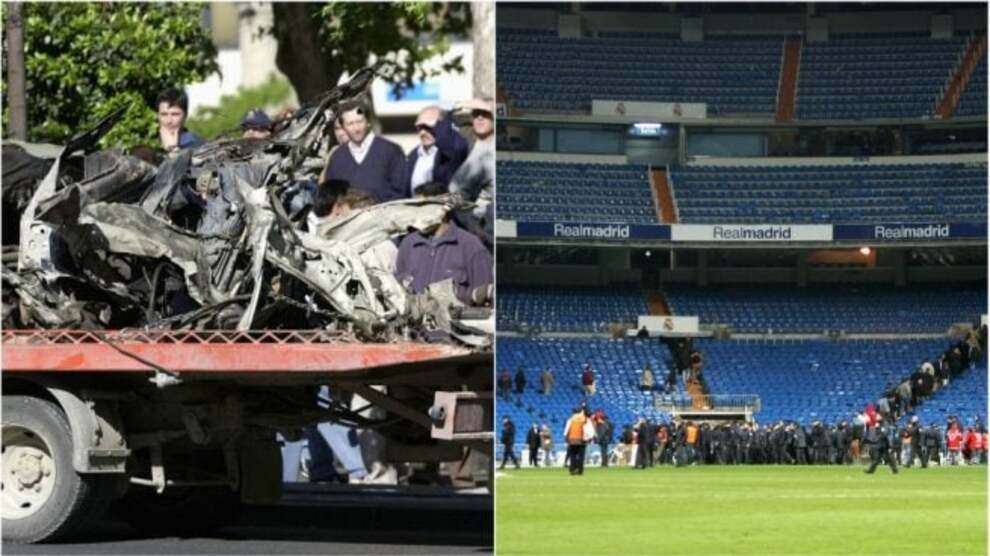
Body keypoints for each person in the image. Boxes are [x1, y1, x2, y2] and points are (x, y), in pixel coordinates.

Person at [393, 181, 493, 306]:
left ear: (444, 209)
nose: (417, 216)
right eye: (415, 209)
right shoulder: (408, 244)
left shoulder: (471, 246)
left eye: (423, 209)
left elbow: (485, 300)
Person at [324, 100, 407, 203]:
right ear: (343, 127)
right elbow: (330, 197)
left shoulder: (391, 151)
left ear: (368, 122)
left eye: (360, 121)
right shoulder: (337, 158)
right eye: (350, 124)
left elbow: (401, 193)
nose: (356, 128)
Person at [405, 105, 469, 194]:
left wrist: (445, 120)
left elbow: (459, 147)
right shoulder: (412, 155)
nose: (423, 132)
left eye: (427, 127)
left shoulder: (448, 153)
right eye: (420, 128)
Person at [156, 87, 203, 152]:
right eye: (164, 114)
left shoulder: (200, 146)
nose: (169, 121)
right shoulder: (149, 143)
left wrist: (173, 150)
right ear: (158, 116)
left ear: (185, 115)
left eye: (175, 114)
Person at [563, 406, 589, 475]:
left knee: (572, 456)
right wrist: (587, 438)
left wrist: (566, 439)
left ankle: (572, 470)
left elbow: (566, 430)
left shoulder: (570, 420)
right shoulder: (584, 419)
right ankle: (580, 470)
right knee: (581, 456)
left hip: (572, 440)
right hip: (581, 440)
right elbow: (587, 430)